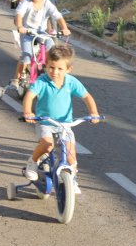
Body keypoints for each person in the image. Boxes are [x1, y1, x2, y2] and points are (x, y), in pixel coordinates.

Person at [22, 45, 101, 194]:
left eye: (60, 69)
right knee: (47, 145)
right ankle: (32, 163)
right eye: (51, 67)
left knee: (71, 153)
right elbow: (30, 95)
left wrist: (94, 113)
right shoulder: (42, 81)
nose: (54, 72)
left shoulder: (71, 82)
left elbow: (87, 97)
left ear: (68, 69)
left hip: (65, 125)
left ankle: (73, 179)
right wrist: (28, 112)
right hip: (46, 122)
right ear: (46, 65)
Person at [10, 0, 71, 88]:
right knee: (26, 56)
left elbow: (58, 16)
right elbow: (19, 14)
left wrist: (64, 28)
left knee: (52, 50)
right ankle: (16, 79)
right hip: (27, 32)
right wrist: (20, 26)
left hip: (42, 32)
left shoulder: (47, 4)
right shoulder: (26, 2)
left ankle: (47, 71)